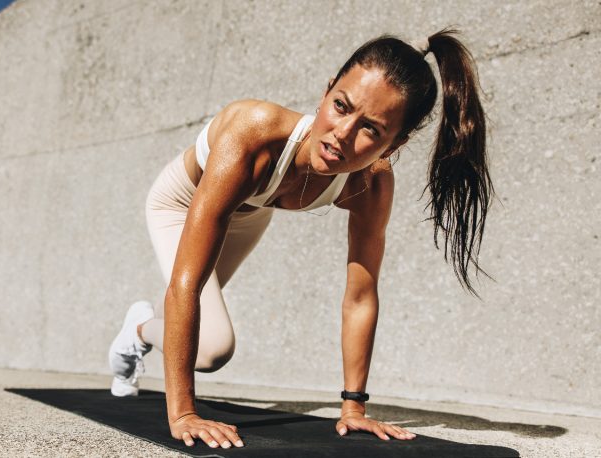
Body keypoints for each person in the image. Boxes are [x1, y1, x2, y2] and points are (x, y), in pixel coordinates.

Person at [108, 28, 494, 450]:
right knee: (212, 349)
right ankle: (139, 331)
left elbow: (360, 296)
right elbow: (186, 284)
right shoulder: (253, 132)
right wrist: (183, 413)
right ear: (327, 91)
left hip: (251, 211)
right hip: (182, 203)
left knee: (202, 340)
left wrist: (353, 408)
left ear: (394, 144)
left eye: (370, 129)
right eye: (341, 106)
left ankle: (142, 329)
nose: (342, 135)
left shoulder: (371, 182)